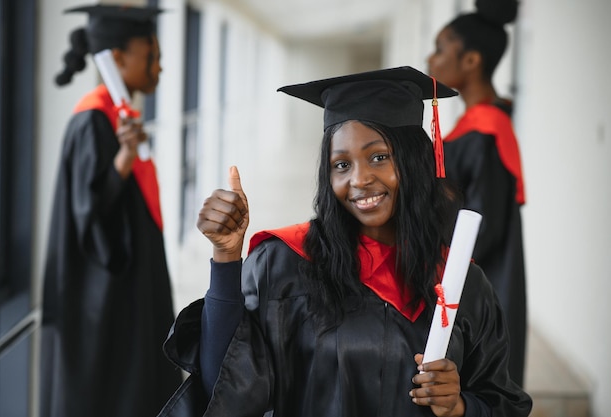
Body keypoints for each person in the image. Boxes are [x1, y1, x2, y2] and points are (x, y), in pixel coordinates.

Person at [157, 66, 532, 417]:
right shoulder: (284, 263)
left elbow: (501, 401)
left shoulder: (460, 284)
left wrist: (461, 405)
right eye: (342, 164)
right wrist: (225, 257)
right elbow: (224, 384)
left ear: (415, 162)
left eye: (380, 157)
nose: (360, 179)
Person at [40, 4, 181, 417]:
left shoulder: (120, 118)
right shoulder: (91, 122)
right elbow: (90, 218)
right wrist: (123, 159)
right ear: (117, 59)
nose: (160, 67)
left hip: (131, 289)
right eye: (151, 56)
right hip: (106, 300)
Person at [427, 3, 528, 387]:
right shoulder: (475, 126)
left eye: (440, 48)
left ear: (471, 60)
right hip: (461, 278)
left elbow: (484, 227)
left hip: (476, 286)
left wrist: (440, 277)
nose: (430, 58)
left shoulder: (488, 130)